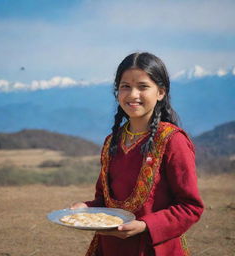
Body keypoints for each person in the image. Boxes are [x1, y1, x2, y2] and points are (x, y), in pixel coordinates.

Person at [71, 52, 204, 256]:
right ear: (117, 92)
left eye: (143, 86)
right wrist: (86, 208)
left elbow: (190, 207)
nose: (133, 94)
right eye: (125, 86)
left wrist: (145, 225)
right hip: (110, 248)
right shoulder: (112, 141)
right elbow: (104, 201)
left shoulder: (173, 141)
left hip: (153, 248)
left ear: (160, 92)